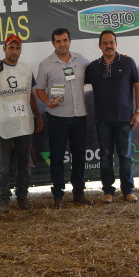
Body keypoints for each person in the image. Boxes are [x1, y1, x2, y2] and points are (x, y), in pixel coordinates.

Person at [0, 34, 44, 213]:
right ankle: (4, 198)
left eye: (18, 48)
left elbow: (30, 94)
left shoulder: (26, 69)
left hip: (23, 121)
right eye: (11, 48)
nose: (14, 51)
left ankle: (22, 196)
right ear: (4, 48)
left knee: (24, 163)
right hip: (1, 121)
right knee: (3, 164)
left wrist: (38, 115)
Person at [35, 27, 92, 209]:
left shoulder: (81, 60)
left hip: (79, 116)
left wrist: (117, 58)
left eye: (65, 40)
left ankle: (79, 193)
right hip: (57, 118)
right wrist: (47, 102)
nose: (62, 44)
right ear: (53, 43)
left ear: (70, 41)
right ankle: (58, 195)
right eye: (58, 41)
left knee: (79, 156)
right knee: (57, 157)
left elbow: (96, 72)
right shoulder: (46, 64)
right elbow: (39, 89)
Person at [84, 30, 139, 203]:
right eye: (105, 43)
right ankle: (108, 192)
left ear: (116, 44)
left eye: (111, 42)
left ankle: (128, 190)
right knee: (105, 157)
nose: (108, 46)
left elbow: (138, 87)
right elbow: (76, 82)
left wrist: (138, 112)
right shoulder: (93, 67)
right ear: (100, 46)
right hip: (102, 119)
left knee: (126, 156)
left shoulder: (128, 62)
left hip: (125, 119)